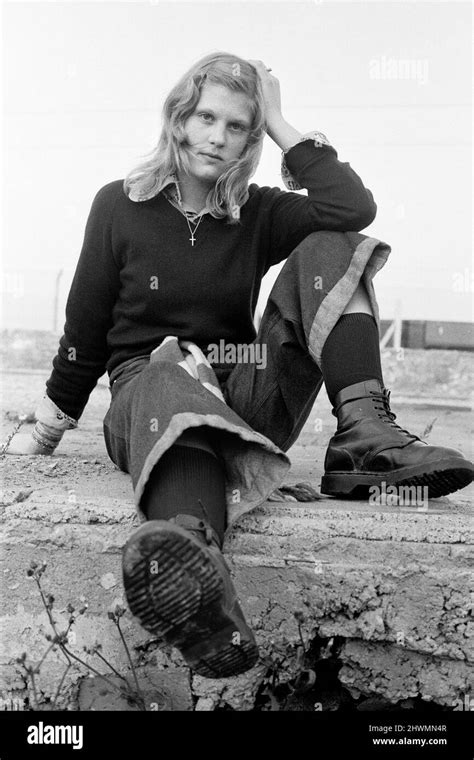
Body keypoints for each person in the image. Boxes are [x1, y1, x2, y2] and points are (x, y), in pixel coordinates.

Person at [8, 52, 473, 680]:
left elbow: (350, 209)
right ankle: (197, 575)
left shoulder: (257, 211)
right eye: (206, 118)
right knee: (169, 372)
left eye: (238, 126)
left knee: (333, 246)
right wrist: (43, 431)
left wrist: (282, 123)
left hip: (240, 383)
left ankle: (365, 432)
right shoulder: (118, 205)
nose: (218, 137)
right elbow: (84, 329)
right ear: (178, 120)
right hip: (147, 389)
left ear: (250, 140)